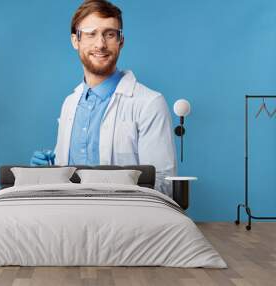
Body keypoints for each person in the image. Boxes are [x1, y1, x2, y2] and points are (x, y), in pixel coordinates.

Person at [31, 0, 176, 196]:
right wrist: (48, 172)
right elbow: (66, 174)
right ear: (75, 40)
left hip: (124, 220)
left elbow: (164, 183)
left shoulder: (149, 103)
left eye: (109, 34)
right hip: (69, 216)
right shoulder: (70, 104)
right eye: (91, 34)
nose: (100, 44)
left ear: (121, 41)